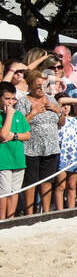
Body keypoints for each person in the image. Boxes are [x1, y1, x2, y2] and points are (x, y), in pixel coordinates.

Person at [18, 70, 63, 214]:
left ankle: (46, 211)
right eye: (38, 86)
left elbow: (61, 123)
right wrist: (33, 113)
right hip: (31, 148)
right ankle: (29, 213)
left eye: (43, 85)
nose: (41, 89)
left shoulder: (51, 99)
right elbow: (19, 125)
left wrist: (58, 111)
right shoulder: (24, 101)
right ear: (30, 85)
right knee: (31, 182)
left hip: (51, 147)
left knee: (47, 181)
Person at [0, 82, 30, 220]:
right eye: (7, 99)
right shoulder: (9, 114)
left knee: (14, 191)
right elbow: (3, 135)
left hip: (18, 159)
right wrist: (9, 115)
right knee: (4, 192)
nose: (10, 102)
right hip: (4, 160)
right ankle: (2, 219)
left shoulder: (19, 115)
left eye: (13, 99)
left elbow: (27, 135)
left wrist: (15, 136)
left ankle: (11, 219)